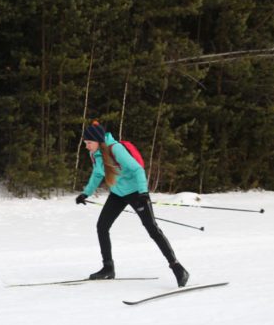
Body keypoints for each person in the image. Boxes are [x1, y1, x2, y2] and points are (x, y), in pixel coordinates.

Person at [75, 120, 190, 287]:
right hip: (117, 193)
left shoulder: (116, 149)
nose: (86, 146)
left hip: (136, 193)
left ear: (99, 141)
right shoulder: (95, 154)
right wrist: (86, 193)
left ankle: (178, 268)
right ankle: (108, 268)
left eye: (89, 143)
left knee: (152, 229)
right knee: (102, 226)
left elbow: (137, 169)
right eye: (85, 143)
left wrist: (143, 191)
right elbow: (97, 174)